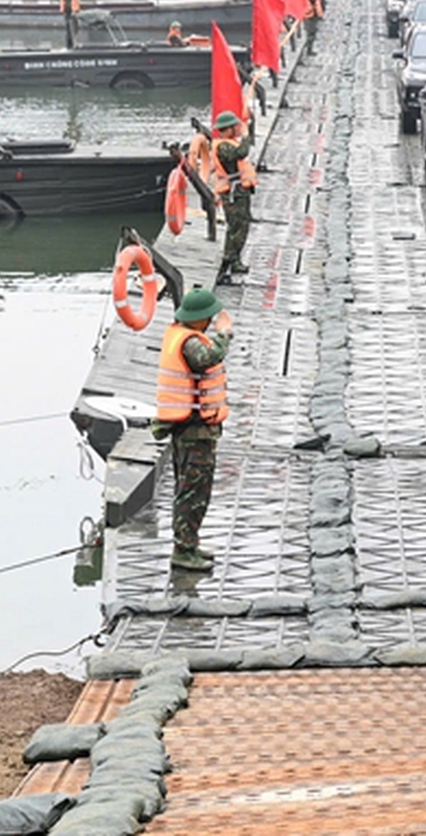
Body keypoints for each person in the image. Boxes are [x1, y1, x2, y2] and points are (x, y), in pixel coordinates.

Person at [152, 287, 232, 572]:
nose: (211, 322)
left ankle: (189, 543)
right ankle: (183, 551)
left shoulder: (179, 335)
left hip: (190, 429)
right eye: (208, 318)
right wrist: (224, 334)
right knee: (192, 492)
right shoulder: (190, 343)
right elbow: (208, 357)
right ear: (198, 318)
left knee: (192, 489)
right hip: (194, 431)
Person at [211, 110, 256, 285]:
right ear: (227, 129)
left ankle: (235, 259)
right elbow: (241, 153)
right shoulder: (224, 146)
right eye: (234, 127)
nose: (237, 129)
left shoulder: (228, 143)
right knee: (237, 226)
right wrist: (245, 136)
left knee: (240, 225)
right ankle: (230, 259)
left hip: (239, 190)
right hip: (233, 193)